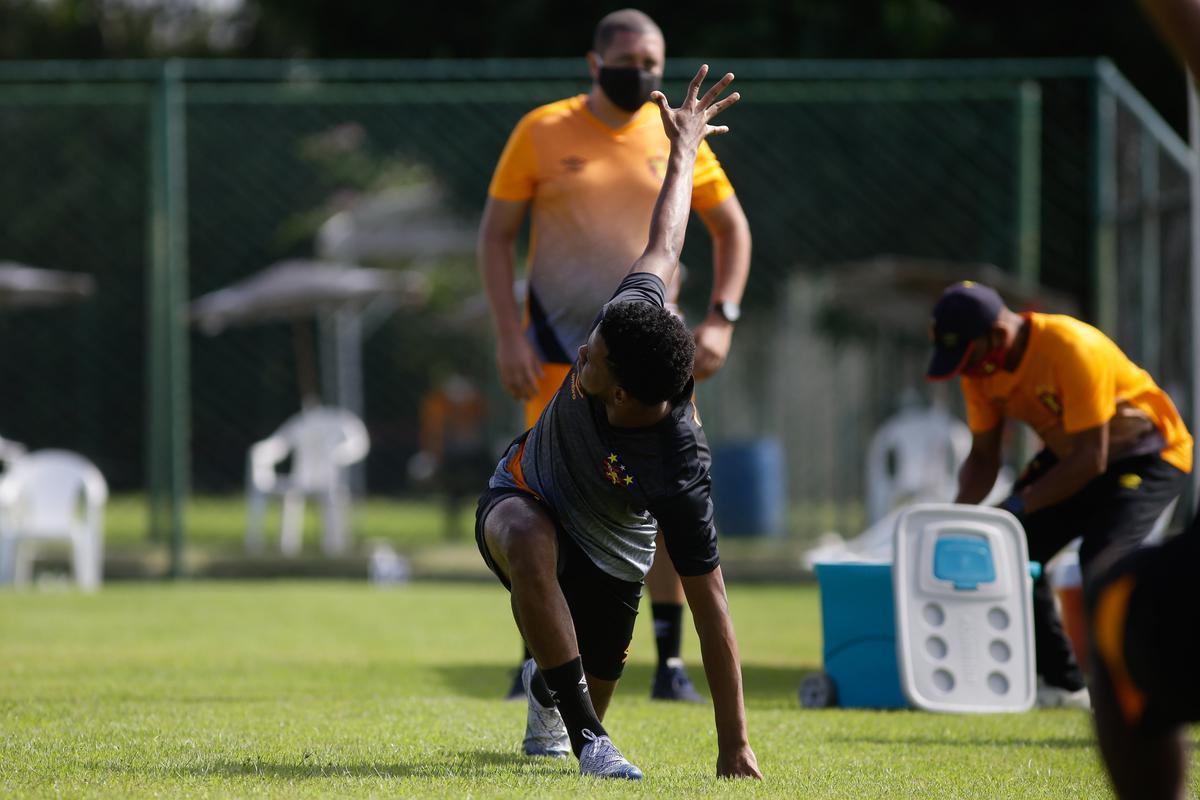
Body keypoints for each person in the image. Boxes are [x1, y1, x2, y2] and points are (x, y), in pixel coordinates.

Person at [475, 64, 760, 781]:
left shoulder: (677, 465)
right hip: (529, 488)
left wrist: (735, 746)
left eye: (594, 361)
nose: (581, 354)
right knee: (524, 536)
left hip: (614, 547)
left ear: (628, 396)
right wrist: (685, 146)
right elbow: (667, 237)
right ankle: (589, 743)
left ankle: (556, 690)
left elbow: (712, 606)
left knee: (589, 675)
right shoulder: (632, 311)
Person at [925, 281, 1192, 708]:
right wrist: (955, 521)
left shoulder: (1070, 346)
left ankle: (1141, 684)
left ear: (997, 335)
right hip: (1078, 453)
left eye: (967, 357)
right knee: (1008, 550)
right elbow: (982, 461)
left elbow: (1091, 459)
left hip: (1150, 454)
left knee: (1103, 557)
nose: (964, 370)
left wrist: (1015, 506)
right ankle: (1066, 686)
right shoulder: (980, 372)